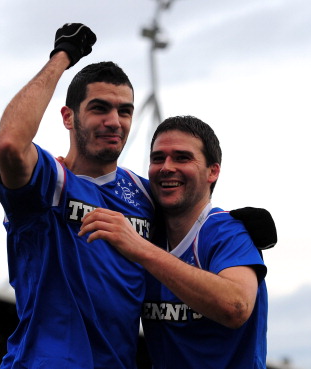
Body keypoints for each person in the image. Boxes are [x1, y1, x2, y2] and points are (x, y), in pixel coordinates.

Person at [0, 23, 156, 368]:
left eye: (125, 111)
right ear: (68, 116)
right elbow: (9, 142)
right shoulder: (50, 181)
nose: (115, 121)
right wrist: (62, 58)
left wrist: (238, 226)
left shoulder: (146, 197)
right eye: (100, 108)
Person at [80, 115, 269, 369]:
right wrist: (68, 169)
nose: (167, 167)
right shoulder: (146, 227)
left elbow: (236, 307)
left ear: (212, 171)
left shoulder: (227, 231)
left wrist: (141, 249)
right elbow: (100, 175)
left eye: (182, 157)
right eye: (158, 158)